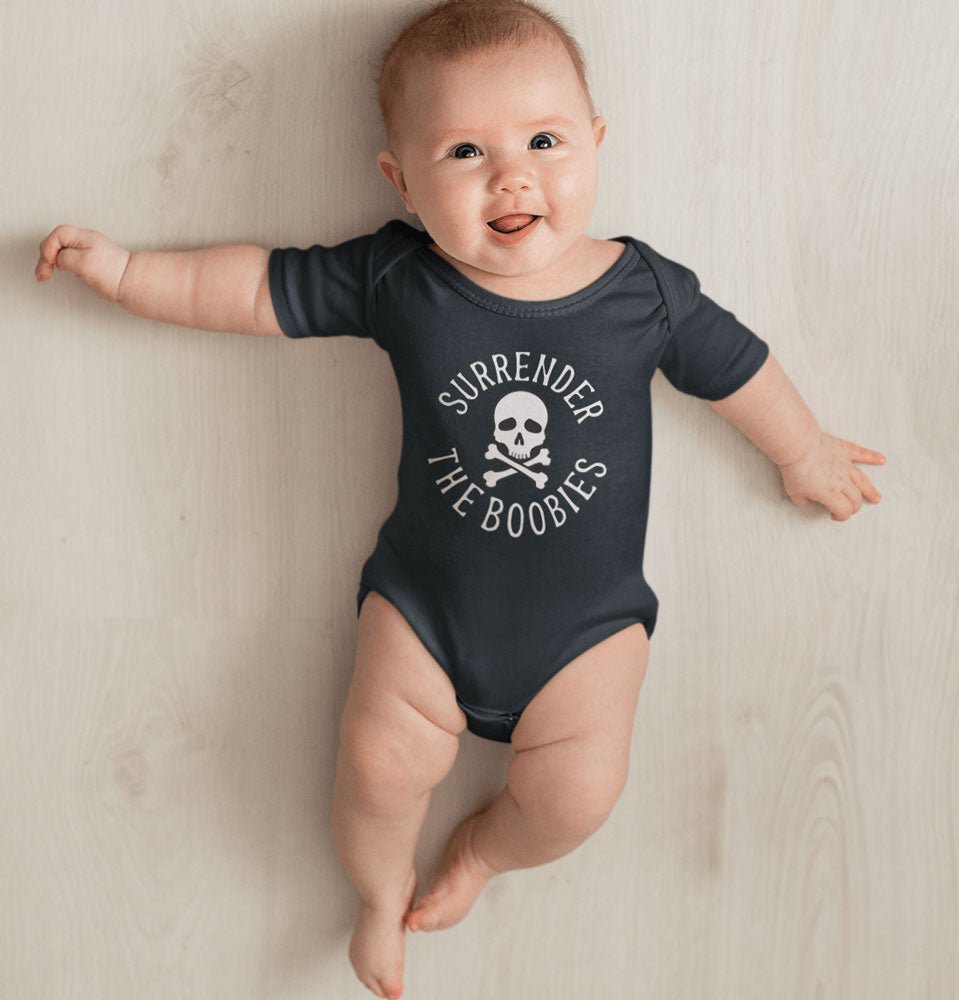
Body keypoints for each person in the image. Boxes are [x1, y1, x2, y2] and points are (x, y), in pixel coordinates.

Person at [34, 1, 886, 997]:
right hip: (423, 615)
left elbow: (736, 367)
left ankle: (480, 855)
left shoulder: (642, 292)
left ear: (595, 142)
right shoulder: (402, 277)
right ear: (400, 179)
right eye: (465, 152)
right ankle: (378, 892)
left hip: (588, 633)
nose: (510, 176)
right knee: (375, 768)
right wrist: (129, 272)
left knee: (578, 798)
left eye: (543, 142)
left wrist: (802, 449)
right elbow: (257, 289)